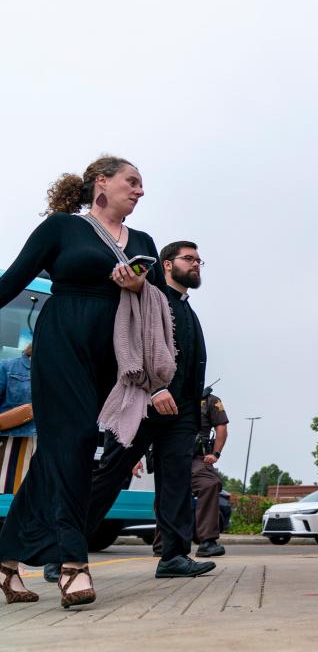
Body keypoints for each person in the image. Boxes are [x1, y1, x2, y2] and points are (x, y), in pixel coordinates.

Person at [0, 156, 161, 608]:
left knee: (60, 451)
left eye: (142, 185)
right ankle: (72, 562)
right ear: (101, 183)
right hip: (63, 341)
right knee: (72, 441)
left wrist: (136, 287)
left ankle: (6, 560)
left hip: (113, 352)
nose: (140, 191)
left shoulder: (144, 241)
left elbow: (161, 299)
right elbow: (12, 280)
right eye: (132, 181)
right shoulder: (62, 228)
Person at [46, 241, 216, 582]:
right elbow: (128, 345)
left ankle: (173, 556)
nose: (196, 264)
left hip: (181, 412)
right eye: (189, 258)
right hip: (142, 402)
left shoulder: (189, 311)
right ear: (167, 264)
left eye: (199, 260)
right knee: (110, 475)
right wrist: (154, 389)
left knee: (176, 481)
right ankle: (62, 553)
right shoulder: (148, 298)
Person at [193, 386, 228, 557]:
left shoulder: (210, 400)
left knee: (209, 484)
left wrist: (215, 454)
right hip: (170, 456)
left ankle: (207, 542)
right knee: (166, 493)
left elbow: (221, 427)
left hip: (196, 457)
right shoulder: (167, 394)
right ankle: (163, 547)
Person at [0, 346, 36, 495]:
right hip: (15, 442)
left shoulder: (59, 374)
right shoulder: (8, 366)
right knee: (10, 494)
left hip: (48, 445)